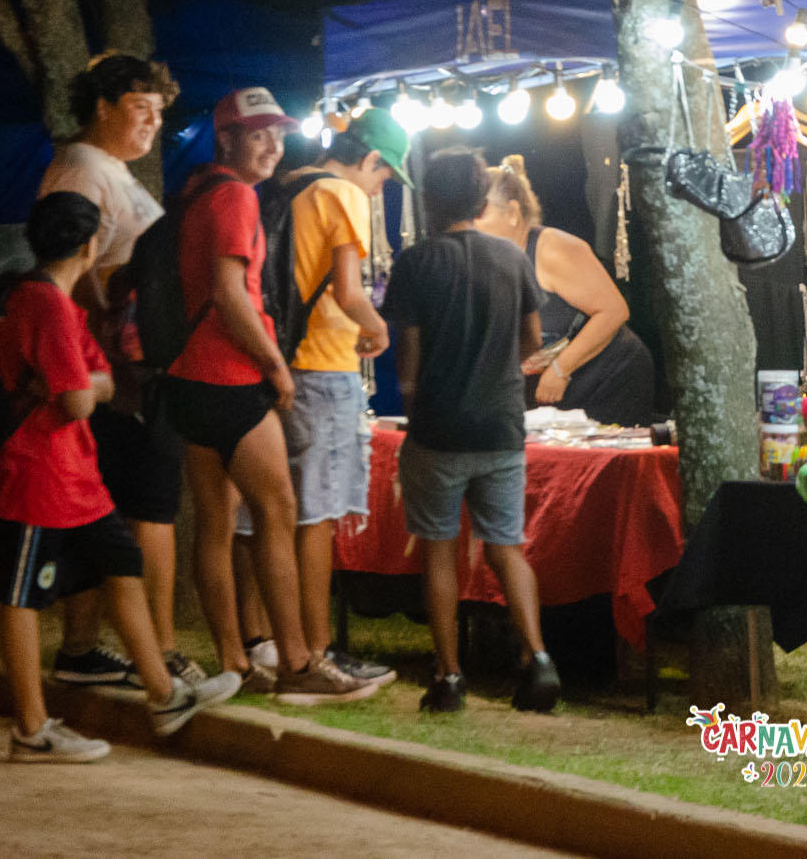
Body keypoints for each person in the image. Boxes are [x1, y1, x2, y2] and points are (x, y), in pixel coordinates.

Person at [0, 191, 238, 762]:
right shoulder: (46, 305)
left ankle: (164, 695)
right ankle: (31, 728)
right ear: (90, 245)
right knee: (21, 596)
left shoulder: (46, 300)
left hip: (74, 475)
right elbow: (79, 399)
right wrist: (84, 386)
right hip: (37, 473)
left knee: (121, 565)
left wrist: (81, 385)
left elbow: (96, 386)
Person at [159, 87, 377, 705]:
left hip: (186, 375)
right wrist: (275, 366)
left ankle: (236, 659)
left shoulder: (195, 189)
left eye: (278, 134)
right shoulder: (234, 195)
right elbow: (230, 292)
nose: (273, 146)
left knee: (215, 523)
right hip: (229, 377)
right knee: (278, 512)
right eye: (258, 134)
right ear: (227, 138)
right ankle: (298, 664)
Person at [233, 108, 408, 691]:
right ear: (370, 159)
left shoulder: (284, 186)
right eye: (385, 175)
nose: (381, 188)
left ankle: (259, 641)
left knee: (260, 512)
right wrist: (377, 329)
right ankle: (315, 650)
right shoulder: (342, 194)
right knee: (317, 514)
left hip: (273, 361)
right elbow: (349, 291)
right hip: (324, 366)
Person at [37, 54, 195, 690]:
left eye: (159, 111)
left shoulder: (102, 167)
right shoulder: (82, 168)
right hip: (117, 372)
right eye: (140, 108)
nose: (153, 121)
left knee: (113, 510)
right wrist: (113, 355)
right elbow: (71, 266)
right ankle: (158, 652)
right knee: (149, 508)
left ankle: (87, 648)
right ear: (102, 107)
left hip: (122, 366)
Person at [385, 147, 560, 715]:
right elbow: (533, 341)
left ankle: (449, 676)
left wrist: (412, 402)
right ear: (483, 202)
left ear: (430, 201)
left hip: (438, 428)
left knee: (439, 552)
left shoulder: (416, 263)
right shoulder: (511, 258)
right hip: (502, 427)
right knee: (507, 547)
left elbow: (408, 353)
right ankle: (538, 659)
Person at [475, 155, 655, 424]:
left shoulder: (554, 249)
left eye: (478, 214)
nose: (470, 224)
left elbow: (614, 311)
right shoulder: (489, 261)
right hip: (553, 382)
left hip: (610, 374)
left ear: (512, 213)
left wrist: (561, 369)